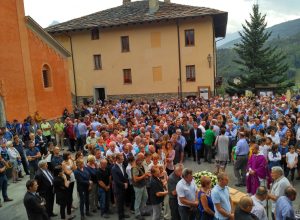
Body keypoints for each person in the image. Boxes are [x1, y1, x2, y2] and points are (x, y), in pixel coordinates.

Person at [131, 152, 150, 220]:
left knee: (145, 197)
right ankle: (137, 214)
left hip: (143, 184)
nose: (143, 159)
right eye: (142, 158)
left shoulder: (140, 164)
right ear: (138, 159)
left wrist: (146, 176)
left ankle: (142, 211)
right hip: (138, 186)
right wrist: (144, 175)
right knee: (138, 200)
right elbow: (135, 179)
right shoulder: (135, 167)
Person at [111, 153, 130, 220]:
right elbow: (116, 180)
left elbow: (125, 175)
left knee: (122, 202)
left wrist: (126, 182)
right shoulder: (114, 168)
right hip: (118, 189)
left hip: (123, 187)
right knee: (119, 204)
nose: (123, 160)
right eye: (122, 159)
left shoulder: (122, 166)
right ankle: (120, 217)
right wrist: (124, 184)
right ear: (117, 159)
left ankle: (123, 214)